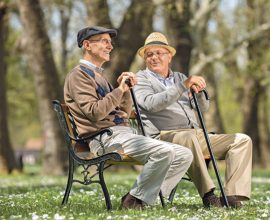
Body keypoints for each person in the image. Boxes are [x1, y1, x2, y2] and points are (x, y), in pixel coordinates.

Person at [63, 26, 193, 210]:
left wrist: (127, 92)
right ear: (87, 45)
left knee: (184, 154)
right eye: (104, 41)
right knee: (164, 152)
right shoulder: (78, 76)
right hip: (104, 138)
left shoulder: (99, 76)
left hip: (121, 134)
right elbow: (94, 112)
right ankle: (135, 201)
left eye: (110, 42)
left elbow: (122, 114)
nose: (110, 46)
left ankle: (136, 199)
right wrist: (119, 90)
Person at [134, 32, 253, 208]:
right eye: (149, 54)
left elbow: (202, 109)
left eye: (159, 53)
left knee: (242, 140)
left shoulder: (180, 77)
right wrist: (183, 86)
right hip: (163, 137)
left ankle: (232, 196)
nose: (153, 58)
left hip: (196, 134)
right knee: (188, 139)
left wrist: (198, 94)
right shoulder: (141, 79)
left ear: (169, 56)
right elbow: (150, 104)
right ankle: (209, 196)